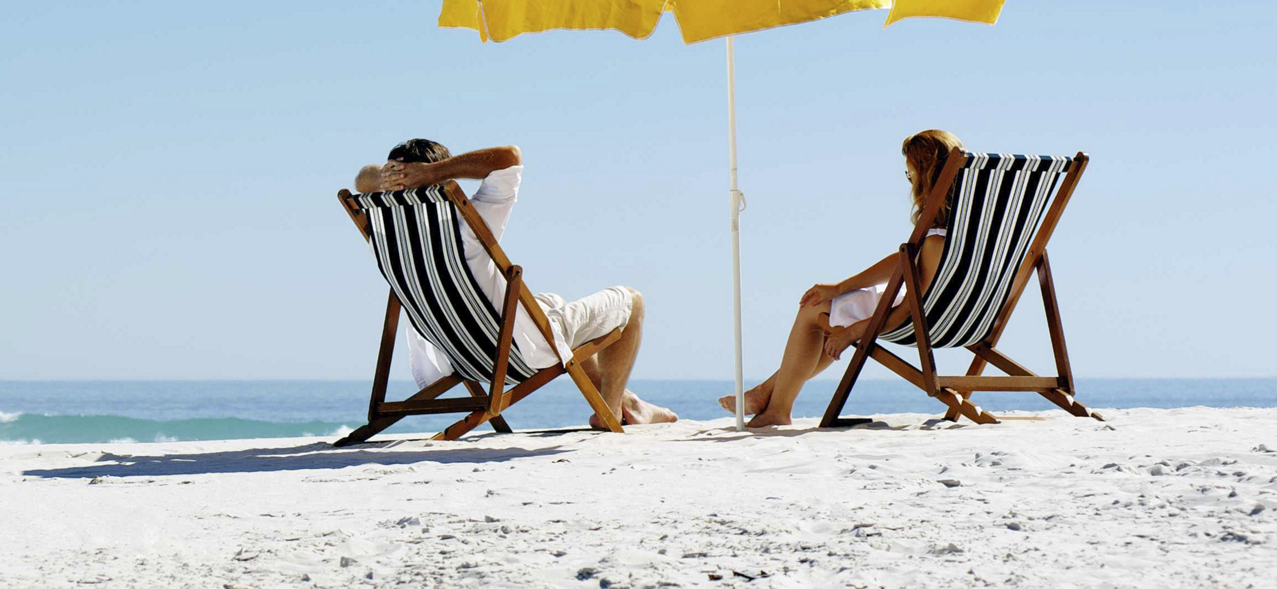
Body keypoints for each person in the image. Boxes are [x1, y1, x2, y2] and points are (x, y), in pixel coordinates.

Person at [356, 139, 676, 427]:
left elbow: (360, 179)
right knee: (632, 300)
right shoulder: (470, 220)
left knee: (550, 305)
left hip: (455, 357)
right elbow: (510, 156)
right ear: (443, 178)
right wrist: (434, 171)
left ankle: (630, 402)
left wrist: (392, 176)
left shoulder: (384, 231)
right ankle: (611, 408)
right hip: (513, 355)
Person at [720, 129, 965, 428]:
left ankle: (777, 408)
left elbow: (911, 310)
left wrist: (854, 331)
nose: (909, 180)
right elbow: (906, 259)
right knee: (829, 306)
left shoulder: (937, 243)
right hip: (962, 315)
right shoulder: (964, 230)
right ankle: (767, 393)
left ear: (925, 173)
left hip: (924, 321)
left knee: (813, 311)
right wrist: (840, 287)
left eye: (909, 172)